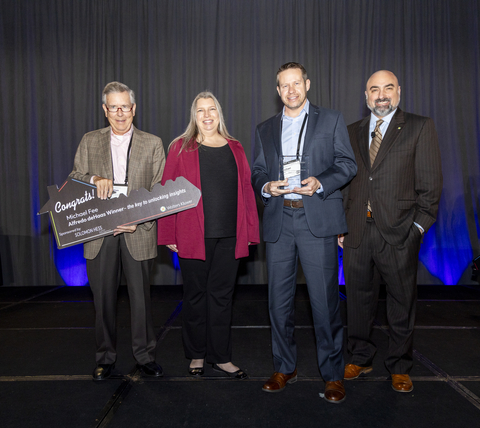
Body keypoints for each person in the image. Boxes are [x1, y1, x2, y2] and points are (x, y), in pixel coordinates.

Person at [252, 62, 357, 403]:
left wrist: (321, 182)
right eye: (284, 85)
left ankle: (332, 375)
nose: (291, 90)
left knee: (325, 304)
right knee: (278, 304)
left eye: (296, 83)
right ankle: (285, 367)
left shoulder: (331, 120)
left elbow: (347, 164)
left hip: (317, 222)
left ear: (307, 84)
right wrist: (267, 185)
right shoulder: (265, 128)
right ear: (278, 90)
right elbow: (256, 172)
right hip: (280, 221)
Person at [339, 70, 443, 393]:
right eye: (374, 89)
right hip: (356, 232)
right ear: (366, 96)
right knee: (357, 301)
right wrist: (339, 226)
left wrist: (416, 229)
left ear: (399, 91)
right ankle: (361, 355)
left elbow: (430, 187)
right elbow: (345, 182)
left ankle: (399, 365)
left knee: (401, 302)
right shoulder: (351, 131)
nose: (380, 95)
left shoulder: (418, 127)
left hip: (399, 234)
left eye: (387, 88)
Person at [157, 91, 259, 379]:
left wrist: (251, 230)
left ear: (219, 113)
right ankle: (197, 354)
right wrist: (168, 233)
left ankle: (222, 357)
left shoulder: (235, 147)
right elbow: (168, 191)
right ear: (194, 115)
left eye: (211, 109)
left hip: (230, 236)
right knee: (195, 297)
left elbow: (247, 190)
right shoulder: (180, 147)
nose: (206, 115)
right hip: (191, 236)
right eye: (200, 110)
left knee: (222, 298)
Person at [69, 81, 166, 381]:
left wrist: (140, 218)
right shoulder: (89, 141)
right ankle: (105, 357)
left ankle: (144, 356)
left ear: (134, 109)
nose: (120, 113)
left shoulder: (153, 143)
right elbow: (75, 178)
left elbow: (159, 190)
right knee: (103, 300)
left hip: (139, 231)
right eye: (114, 107)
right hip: (100, 233)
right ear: (105, 110)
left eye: (126, 106)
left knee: (141, 300)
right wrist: (94, 177)